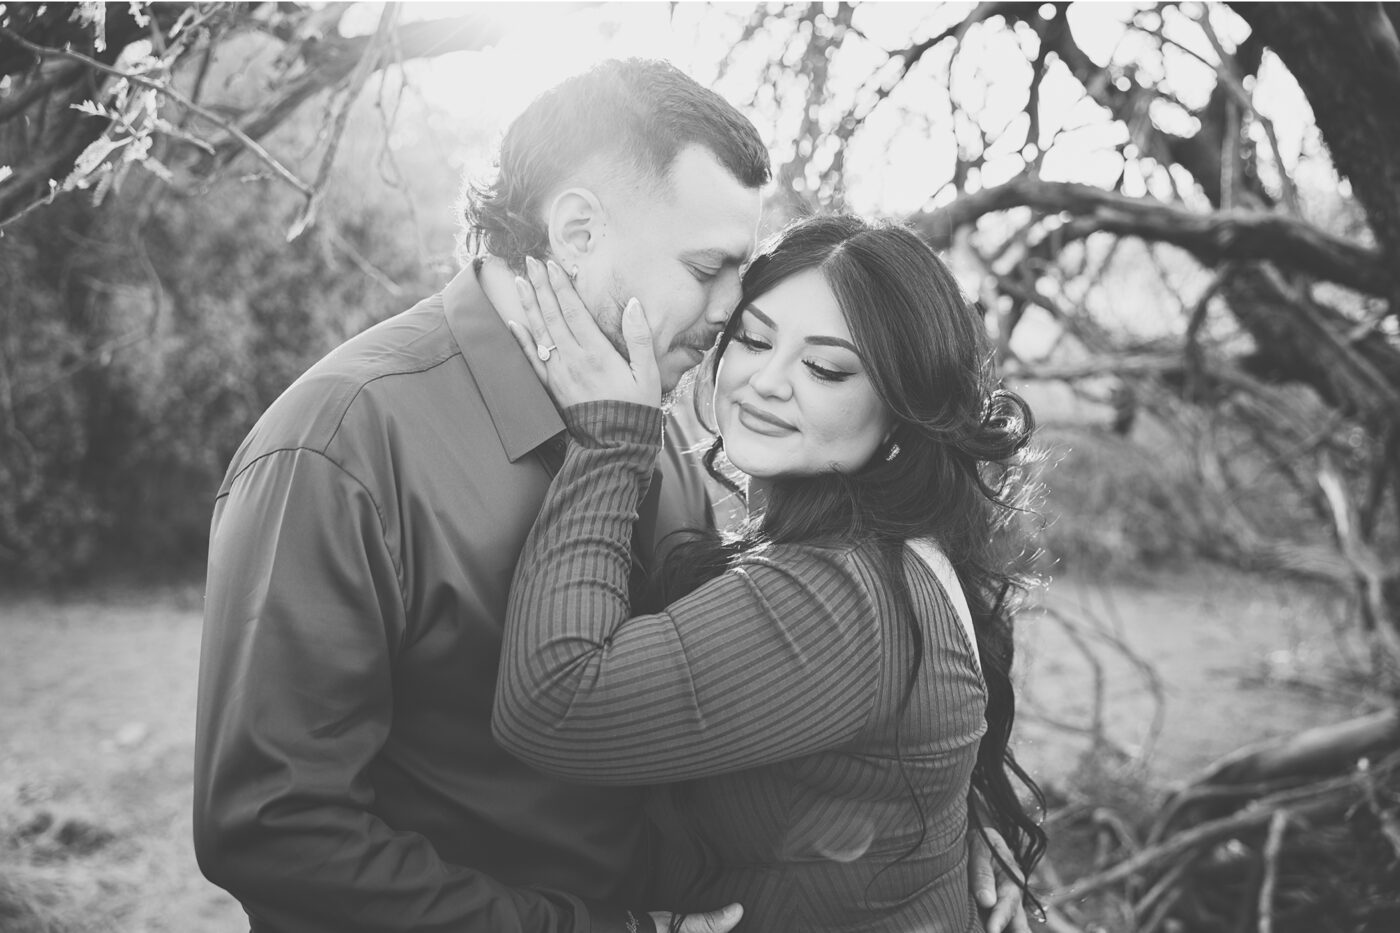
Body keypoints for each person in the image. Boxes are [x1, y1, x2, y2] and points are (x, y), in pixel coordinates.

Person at [194, 56, 1026, 933]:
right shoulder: (341, 443)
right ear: (581, 231)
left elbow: (726, 694)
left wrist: (926, 822)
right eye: (709, 267)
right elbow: (274, 829)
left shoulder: (650, 428)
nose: (728, 311)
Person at [494, 214, 1047, 932]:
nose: (765, 381)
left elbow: (554, 705)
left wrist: (609, 437)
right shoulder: (887, 544)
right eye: (754, 339)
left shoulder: (842, 594)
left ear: (902, 412)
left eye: (825, 367)